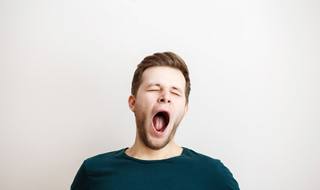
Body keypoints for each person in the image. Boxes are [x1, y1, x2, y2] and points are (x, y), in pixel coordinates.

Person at [71, 52, 240, 190]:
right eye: (154, 89)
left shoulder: (213, 176)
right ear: (133, 102)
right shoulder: (93, 172)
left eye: (175, 92)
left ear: (185, 109)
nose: (165, 97)